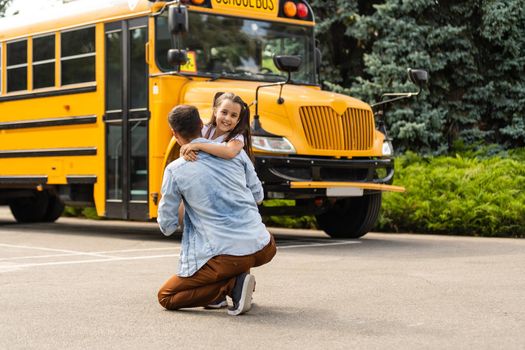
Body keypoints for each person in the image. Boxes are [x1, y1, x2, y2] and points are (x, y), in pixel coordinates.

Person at [157, 105, 276, 316]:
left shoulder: (175, 169)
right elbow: (258, 196)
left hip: (227, 257)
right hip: (264, 246)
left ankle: (231, 285)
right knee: (229, 252)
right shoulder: (236, 154)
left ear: (174, 134)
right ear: (201, 126)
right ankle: (224, 293)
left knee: (166, 296)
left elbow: (167, 226)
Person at [179, 92, 253, 162]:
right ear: (215, 111)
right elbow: (187, 146)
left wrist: (198, 145)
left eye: (233, 115)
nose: (227, 118)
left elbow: (229, 152)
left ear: (238, 120)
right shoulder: (205, 129)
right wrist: (186, 151)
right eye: (224, 112)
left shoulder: (237, 138)